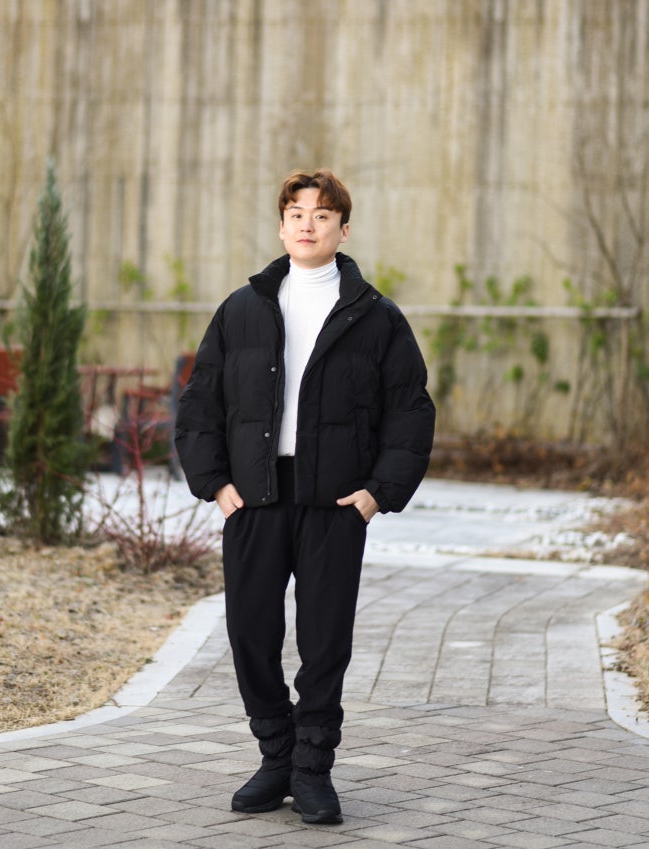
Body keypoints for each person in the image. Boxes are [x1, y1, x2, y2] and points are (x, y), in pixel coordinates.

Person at [174, 168, 435, 825]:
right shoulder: (241, 309)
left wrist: (378, 493)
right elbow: (201, 402)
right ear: (281, 226)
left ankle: (313, 769)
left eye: (321, 215)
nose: (307, 224)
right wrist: (216, 483)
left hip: (335, 503)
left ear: (343, 229)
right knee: (249, 632)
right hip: (254, 498)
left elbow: (409, 410)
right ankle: (276, 756)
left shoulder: (376, 317)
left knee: (324, 641)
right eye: (296, 213)